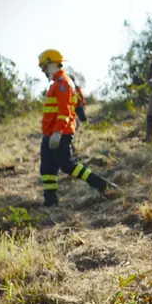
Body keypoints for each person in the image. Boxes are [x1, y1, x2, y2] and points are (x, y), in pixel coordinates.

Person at [37, 49, 117, 207]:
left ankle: (102, 185)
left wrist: (58, 132)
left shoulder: (62, 83)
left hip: (59, 133)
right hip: (49, 134)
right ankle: (50, 202)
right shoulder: (56, 83)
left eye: (43, 66)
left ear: (51, 63)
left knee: (67, 165)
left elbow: (64, 111)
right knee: (46, 168)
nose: (43, 70)